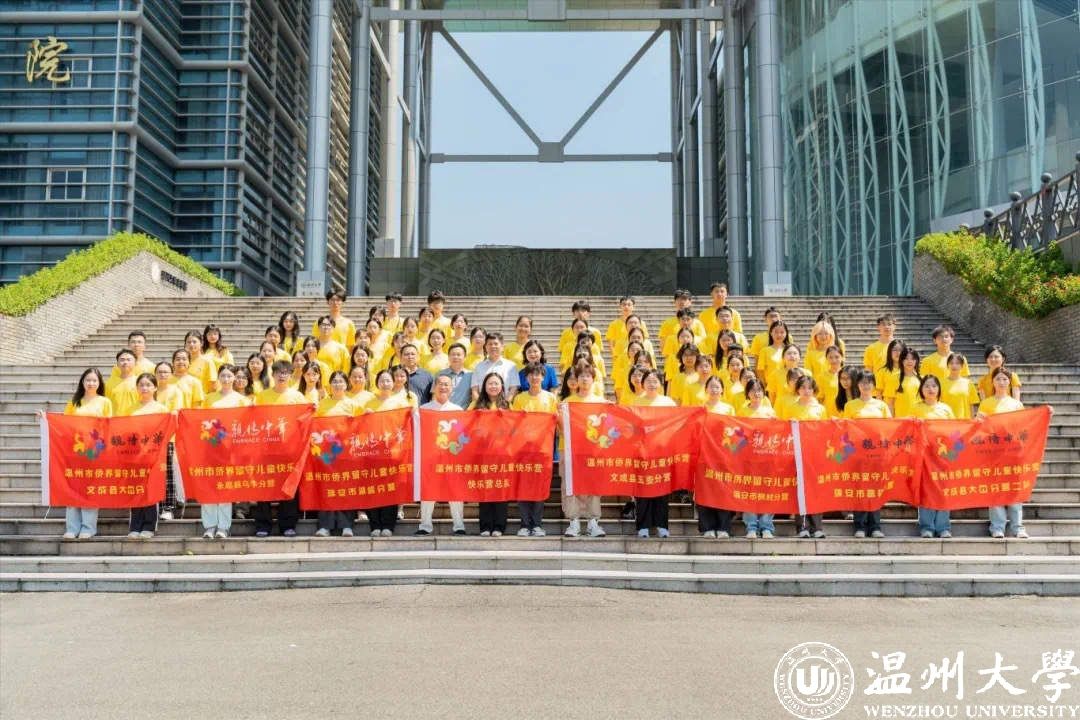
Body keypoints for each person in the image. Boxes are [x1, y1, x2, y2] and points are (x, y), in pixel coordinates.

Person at [54, 369, 113, 539]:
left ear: (99, 383)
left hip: (95, 451)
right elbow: (64, 423)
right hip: (75, 450)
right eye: (88, 380)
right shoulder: (74, 402)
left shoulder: (105, 402)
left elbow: (109, 426)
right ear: (82, 382)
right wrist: (46, 418)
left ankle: (88, 527)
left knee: (90, 489)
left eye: (94, 380)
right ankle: (72, 528)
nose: (91, 383)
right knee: (73, 487)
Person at [253, 361, 309, 538]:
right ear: (273, 374)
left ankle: (288, 525)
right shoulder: (262, 396)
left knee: (289, 487)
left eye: (286, 372)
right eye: (278, 372)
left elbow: (305, 419)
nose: (282, 375)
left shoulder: (298, 397)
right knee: (264, 487)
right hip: (267, 449)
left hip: (290, 449)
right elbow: (254, 418)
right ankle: (263, 525)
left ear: (291, 375)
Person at [978, 367, 1030, 539]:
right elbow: (981, 428)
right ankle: (997, 527)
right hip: (993, 452)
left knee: (1015, 489)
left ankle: (1017, 527)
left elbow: (1024, 426)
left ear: (1009, 382)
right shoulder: (986, 403)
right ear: (992, 382)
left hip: (1013, 451)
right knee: (995, 489)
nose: (1001, 382)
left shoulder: (1016, 404)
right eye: (998, 379)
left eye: (1005, 379)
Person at [201, 364, 250, 539]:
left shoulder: (242, 400)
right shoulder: (209, 398)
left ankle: (223, 526)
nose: (226, 379)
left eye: (229, 376)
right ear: (218, 378)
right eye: (223, 375)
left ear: (235, 378)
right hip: (212, 446)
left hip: (231, 448)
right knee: (209, 486)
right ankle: (209, 526)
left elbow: (246, 424)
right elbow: (202, 421)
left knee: (225, 487)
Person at [511, 363, 558, 536]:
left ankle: (537, 524)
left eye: (538, 374)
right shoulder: (519, 398)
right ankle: (524, 524)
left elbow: (555, 421)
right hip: (522, 449)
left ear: (543, 377)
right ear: (526, 378)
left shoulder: (550, 398)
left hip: (542, 449)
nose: (534, 377)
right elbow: (514, 422)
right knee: (522, 485)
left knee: (540, 485)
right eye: (531, 374)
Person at [561, 363, 608, 538]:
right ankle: (573, 521)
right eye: (581, 376)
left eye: (588, 376)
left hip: (594, 451)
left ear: (593, 379)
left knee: (593, 485)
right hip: (571, 450)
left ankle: (593, 521)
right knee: (571, 484)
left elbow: (609, 427)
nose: (585, 379)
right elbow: (561, 427)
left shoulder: (602, 403)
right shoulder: (567, 402)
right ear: (577, 380)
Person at [416, 374, 467, 536]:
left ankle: (459, 525)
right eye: (440, 384)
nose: (443, 387)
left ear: (451, 389)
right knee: (428, 491)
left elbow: (462, 435)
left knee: (455, 491)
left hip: (451, 457)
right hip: (430, 458)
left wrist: (459, 447)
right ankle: (425, 525)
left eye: (447, 385)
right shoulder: (424, 410)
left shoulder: (457, 410)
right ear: (434, 387)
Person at [312, 371, 361, 538]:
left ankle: (347, 525)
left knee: (345, 489)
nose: (338, 384)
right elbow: (314, 426)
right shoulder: (322, 404)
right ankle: (324, 526)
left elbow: (362, 426)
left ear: (346, 385)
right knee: (327, 489)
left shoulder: (353, 404)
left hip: (346, 453)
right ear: (329, 385)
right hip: (326, 455)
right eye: (334, 381)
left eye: (341, 381)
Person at [632, 369, 675, 539]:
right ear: (642, 384)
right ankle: (643, 526)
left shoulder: (668, 402)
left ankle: (662, 525)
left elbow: (675, 425)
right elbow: (632, 427)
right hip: (643, 451)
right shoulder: (637, 401)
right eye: (648, 381)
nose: (651, 384)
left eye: (655, 381)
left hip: (662, 451)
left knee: (662, 489)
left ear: (661, 384)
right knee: (643, 489)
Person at [911, 375, 955, 539]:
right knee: (926, 491)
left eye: (934, 386)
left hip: (943, 456)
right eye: (927, 386)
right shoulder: (915, 408)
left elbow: (955, 431)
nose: (931, 389)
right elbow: (909, 430)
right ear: (921, 389)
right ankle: (927, 527)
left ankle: (943, 527)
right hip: (923, 456)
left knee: (943, 490)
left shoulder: (946, 409)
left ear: (939, 389)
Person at [735, 378, 776, 539]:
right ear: (748, 393)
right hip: (748, 457)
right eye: (753, 390)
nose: (756, 393)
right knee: (749, 491)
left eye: (759, 390)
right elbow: (738, 434)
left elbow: (778, 432)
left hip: (767, 457)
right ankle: (751, 526)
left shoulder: (770, 412)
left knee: (767, 490)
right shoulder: (742, 411)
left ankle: (766, 526)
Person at [471, 373, 511, 537]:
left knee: (501, 489)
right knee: (485, 489)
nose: (493, 386)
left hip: (501, 454)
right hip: (482, 455)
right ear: (484, 387)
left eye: (496, 383)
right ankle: (485, 526)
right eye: (490, 383)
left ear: (502, 386)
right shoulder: (476, 405)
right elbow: (464, 425)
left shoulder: (507, 405)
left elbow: (514, 428)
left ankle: (499, 526)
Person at [697, 374, 735, 537]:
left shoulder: (728, 408)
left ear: (722, 390)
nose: (714, 389)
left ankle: (723, 527)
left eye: (717, 387)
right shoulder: (700, 408)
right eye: (711, 386)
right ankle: (707, 527)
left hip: (723, 455)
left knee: (723, 490)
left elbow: (734, 431)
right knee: (705, 490)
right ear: (706, 389)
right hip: (704, 455)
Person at [470, 332, 520, 402]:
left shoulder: (511, 366)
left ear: (502, 347)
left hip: (504, 406)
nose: (493, 346)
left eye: (496, 344)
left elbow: (514, 389)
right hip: (483, 406)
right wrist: (481, 405)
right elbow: (474, 390)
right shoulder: (479, 367)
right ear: (485, 347)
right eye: (490, 344)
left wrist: (505, 404)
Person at [940, 353, 980, 419]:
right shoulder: (941, 383)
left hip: (964, 421)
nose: (954, 365)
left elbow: (972, 405)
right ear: (947, 365)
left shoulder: (968, 383)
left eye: (957, 363)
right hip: (947, 421)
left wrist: (972, 421)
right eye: (951, 363)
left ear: (962, 366)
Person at [886, 348, 922, 418]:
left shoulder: (921, 379)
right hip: (900, 419)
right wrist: (892, 421)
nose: (909, 361)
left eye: (913, 359)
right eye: (906, 359)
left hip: (918, 420)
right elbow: (890, 404)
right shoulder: (894, 378)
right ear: (902, 360)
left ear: (917, 361)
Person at [105, 349, 141, 417]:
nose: (125, 362)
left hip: (135, 420)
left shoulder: (141, 382)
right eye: (122, 360)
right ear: (117, 364)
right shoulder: (108, 383)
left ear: (135, 363)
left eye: (129, 360)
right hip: (115, 420)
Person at [436, 343, 473, 409]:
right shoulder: (440, 374)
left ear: (465, 357)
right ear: (448, 357)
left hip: (463, 412)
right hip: (443, 412)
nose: (455, 357)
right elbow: (434, 395)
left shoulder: (471, 375)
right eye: (453, 354)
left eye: (458, 355)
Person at [184, 330, 218, 394]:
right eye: (188, 342)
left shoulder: (207, 361)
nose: (191, 344)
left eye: (194, 342)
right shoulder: (183, 361)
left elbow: (213, 386)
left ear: (201, 343)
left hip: (202, 398)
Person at [817, 346, 845, 418]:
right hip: (828, 414)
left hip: (845, 413)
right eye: (830, 357)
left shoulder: (847, 374)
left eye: (837, 357)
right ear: (826, 359)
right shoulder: (822, 377)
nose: (834, 360)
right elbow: (820, 398)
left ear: (842, 357)